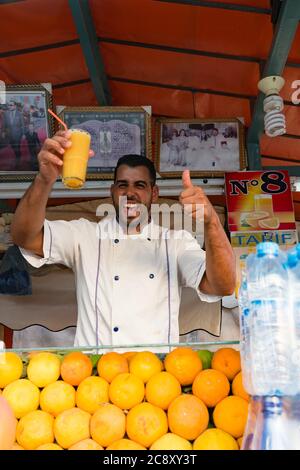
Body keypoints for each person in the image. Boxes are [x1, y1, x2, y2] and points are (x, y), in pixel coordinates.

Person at [11, 130, 236, 348]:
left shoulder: (175, 242)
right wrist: (44, 179)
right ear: (112, 191)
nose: (130, 193)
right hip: (96, 375)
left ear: (154, 193)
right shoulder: (84, 235)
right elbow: (25, 237)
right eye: (122, 185)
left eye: (140, 185)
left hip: (155, 376)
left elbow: (222, 286)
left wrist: (212, 223)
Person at [3, 100, 25, 168]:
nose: (9, 106)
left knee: (17, 147)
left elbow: (22, 125)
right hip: (10, 134)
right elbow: (4, 124)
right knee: (13, 147)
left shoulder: (20, 114)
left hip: (18, 134)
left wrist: (23, 134)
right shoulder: (6, 114)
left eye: (11, 105)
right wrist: (3, 132)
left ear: (15, 106)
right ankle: (18, 156)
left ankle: (18, 160)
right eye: (9, 105)